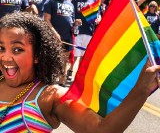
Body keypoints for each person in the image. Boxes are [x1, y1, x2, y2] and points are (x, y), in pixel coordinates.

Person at [0, 11, 160, 132]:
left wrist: (141, 90)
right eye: (1, 48)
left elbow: (101, 130)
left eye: (17, 49)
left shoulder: (50, 97)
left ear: (36, 55)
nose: (5, 58)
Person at [43, 0, 81, 86]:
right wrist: (56, 35)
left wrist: (76, 23)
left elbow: (70, 21)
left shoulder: (70, 4)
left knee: (63, 62)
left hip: (67, 37)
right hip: (53, 37)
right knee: (51, 61)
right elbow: (46, 21)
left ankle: (61, 83)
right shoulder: (50, 2)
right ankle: (47, 84)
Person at [71, 0, 101, 79]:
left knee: (84, 57)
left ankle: (79, 76)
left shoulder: (94, 1)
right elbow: (70, 14)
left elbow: (98, 14)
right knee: (74, 55)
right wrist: (74, 20)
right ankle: (70, 73)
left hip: (89, 31)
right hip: (77, 31)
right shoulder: (75, 0)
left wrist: (98, 19)